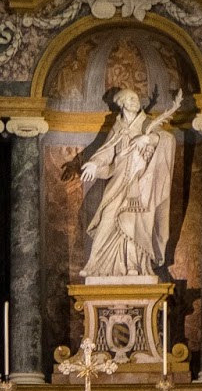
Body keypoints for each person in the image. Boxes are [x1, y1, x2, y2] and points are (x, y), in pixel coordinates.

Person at [78, 87, 181, 277]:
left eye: (136, 98)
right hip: (118, 182)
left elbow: (167, 139)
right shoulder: (117, 128)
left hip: (140, 184)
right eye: (131, 99)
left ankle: (134, 266)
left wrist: (148, 138)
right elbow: (107, 151)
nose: (136, 102)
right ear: (122, 103)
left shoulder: (147, 123)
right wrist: (94, 163)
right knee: (107, 218)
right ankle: (95, 265)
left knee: (133, 221)